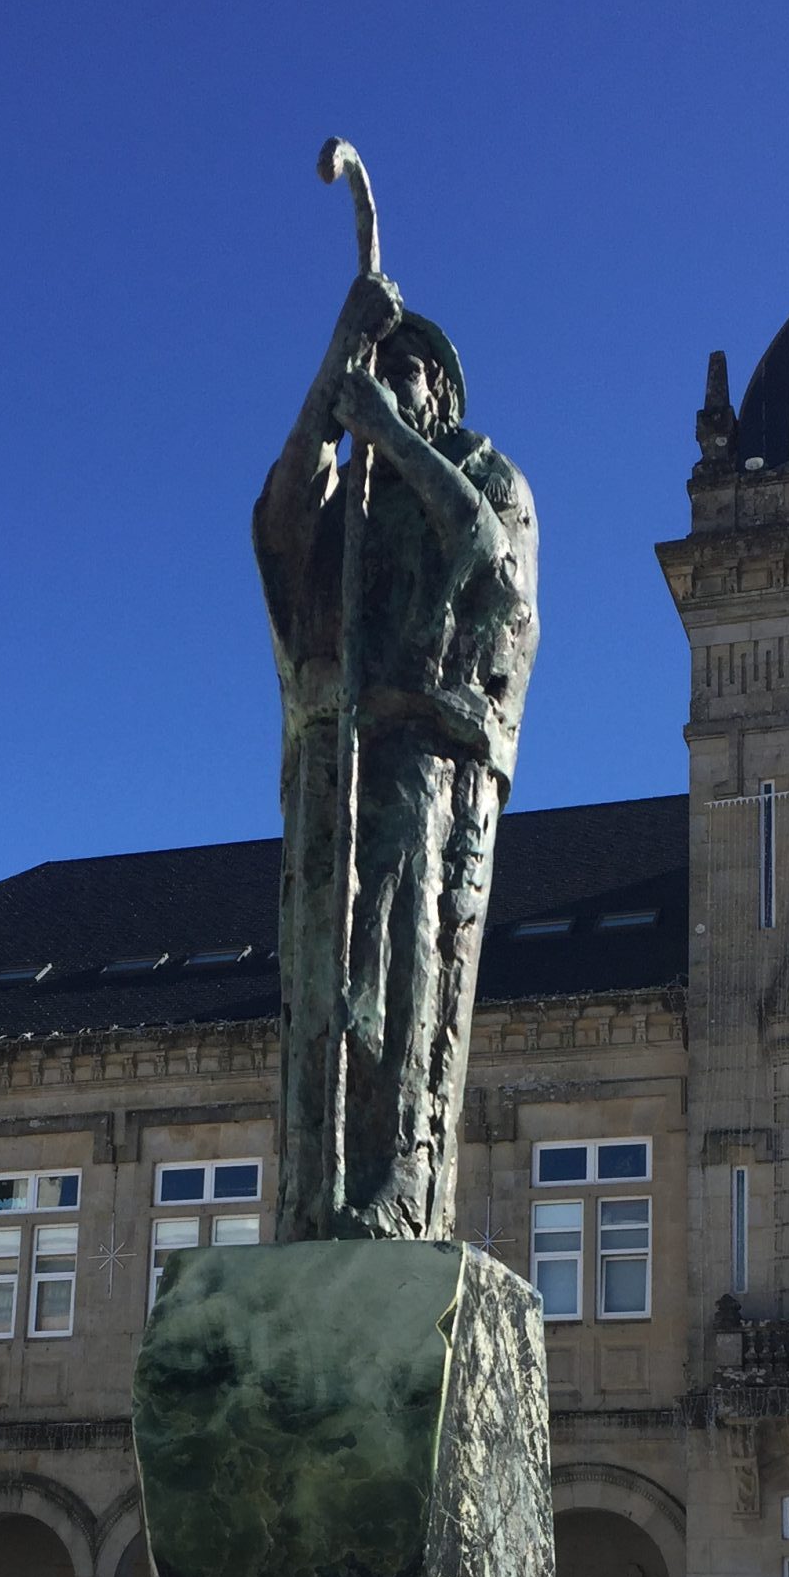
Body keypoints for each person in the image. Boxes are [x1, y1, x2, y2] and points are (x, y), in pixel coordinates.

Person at [254, 270, 540, 1242]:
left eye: (409, 370)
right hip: (334, 758)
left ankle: (403, 1175)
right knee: (322, 984)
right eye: (378, 369)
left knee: (404, 964)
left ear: (441, 395)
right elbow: (277, 522)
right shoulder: (350, 499)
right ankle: (312, 1188)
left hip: (426, 757)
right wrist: (333, 363)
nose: (390, 379)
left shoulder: (482, 472)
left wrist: (392, 434)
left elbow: (487, 556)